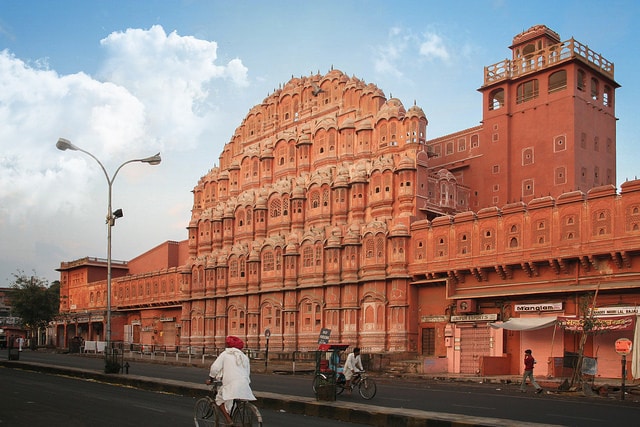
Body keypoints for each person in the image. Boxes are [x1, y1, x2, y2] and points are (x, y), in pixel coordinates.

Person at [207, 335, 256, 424]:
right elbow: (247, 372)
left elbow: (214, 368)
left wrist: (211, 379)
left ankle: (229, 421)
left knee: (219, 400)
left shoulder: (225, 354)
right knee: (232, 399)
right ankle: (233, 417)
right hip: (244, 384)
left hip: (231, 384)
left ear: (228, 346)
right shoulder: (244, 357)